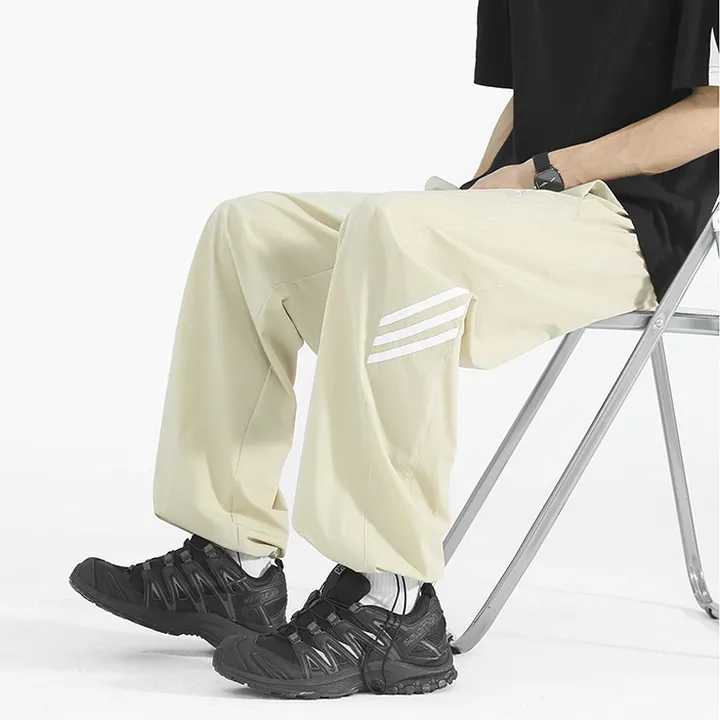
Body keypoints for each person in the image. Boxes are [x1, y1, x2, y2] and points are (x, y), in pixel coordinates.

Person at [69, 0, 719, 699]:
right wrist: (473, 198)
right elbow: (533, 101)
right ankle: (233, 561)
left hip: (627, 224)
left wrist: (539, 175)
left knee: (398, 238)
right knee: (250, 231)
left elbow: (711, 112)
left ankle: (393, 603)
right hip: (531, 199)